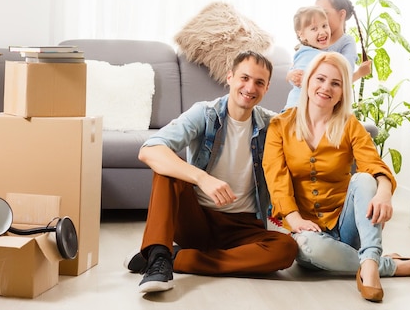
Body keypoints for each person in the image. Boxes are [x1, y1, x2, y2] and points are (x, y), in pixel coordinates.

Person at [262, 52, 410, 303]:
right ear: (308, 80)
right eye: (320, 79)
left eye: (335, 83)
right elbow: (275, 176)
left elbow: (373, 164)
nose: (326, 88)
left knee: (364, 180)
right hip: (308, 230)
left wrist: (384, 193)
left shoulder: (349, 124)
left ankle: (368, 261)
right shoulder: (281, 125)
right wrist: (295, 219)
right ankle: (385, 265)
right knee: (308, 248)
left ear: (344, 90)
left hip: (347, 226)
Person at [127, 50, 298, 294]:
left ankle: (175, 257)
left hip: (244, 227)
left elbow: (308, 137)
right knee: (167, 170)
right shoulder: (206, 114)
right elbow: (149, 150)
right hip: (197, 220)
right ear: (230, 77)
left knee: (285, 249)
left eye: (259, 82)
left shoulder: (272, 124)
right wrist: (202, 178)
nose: (250, 87)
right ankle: (159, 259)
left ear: (267, 88)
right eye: (244, 78)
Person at [286, 0, 372, 90]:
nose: (317, 16)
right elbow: (291, 72)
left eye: (323, 12)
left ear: (341, 14)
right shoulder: (310, 43)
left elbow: (342, 78)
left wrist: (359, 73)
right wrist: (292, 76)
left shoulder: (346, 42)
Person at [283, 6, 333, 110]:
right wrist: (296, 76)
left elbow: (291, 75)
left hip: (301, 109)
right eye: (314, 29)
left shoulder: (309, 52)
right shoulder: (310, 54)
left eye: (324, 25)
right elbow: (298, 78)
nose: (322, 32)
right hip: (299, 109)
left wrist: (290, 75)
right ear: (302, 35)